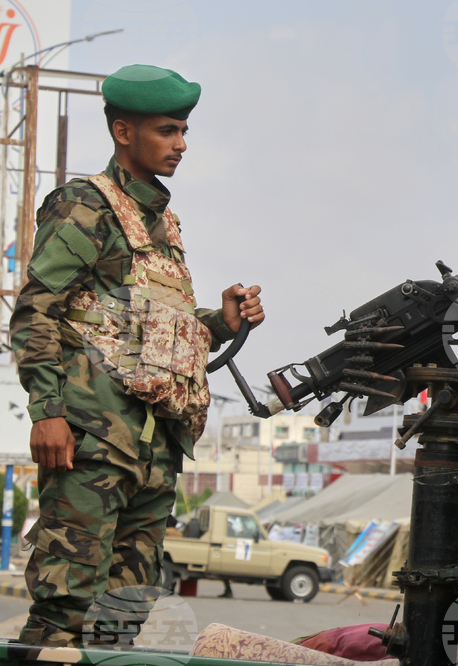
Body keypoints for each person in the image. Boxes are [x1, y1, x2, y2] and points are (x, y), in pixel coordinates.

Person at [9, 64, 265, 647]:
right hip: (92, 442)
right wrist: (47, 411)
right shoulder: (84, 206)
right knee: (64, 606)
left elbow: (148, 329)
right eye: (168, 131)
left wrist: (217, 325)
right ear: (124, 132)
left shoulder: (163, 222)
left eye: (184, 133)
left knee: (124, 612)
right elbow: (35, 311)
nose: (181, 145)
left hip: (153, 449)